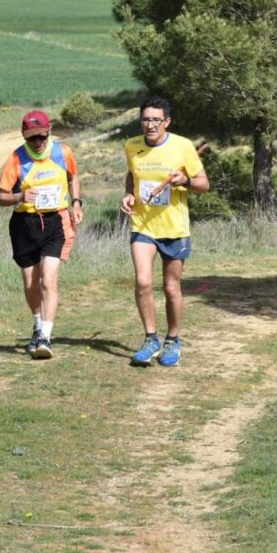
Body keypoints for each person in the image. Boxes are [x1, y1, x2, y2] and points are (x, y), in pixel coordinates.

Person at [120, 95, 209, 367]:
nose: (150, 125)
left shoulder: (182, 147)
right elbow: (132, 176)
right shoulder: (131, 146)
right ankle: (150, 338)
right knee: (143, 282)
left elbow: (203, 184)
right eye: (145, 119)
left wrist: (184, 180)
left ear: (166, 122)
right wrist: (128, 195)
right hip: (143, 226)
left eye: (156, 120)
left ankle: (172, 339)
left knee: (171, 287)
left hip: (174, 227)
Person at [0, 110, 83, 359]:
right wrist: (19, 196)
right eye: (32, 138)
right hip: (25, 224)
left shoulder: (62, 152)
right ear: (24, 136)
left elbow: (73, 176)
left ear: (50, 131)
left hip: (55, 221)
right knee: (31, 283)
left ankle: (45, 335)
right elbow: (0, 197)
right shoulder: (15, 159)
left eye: (42, 137)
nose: (38, 143)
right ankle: (37, 324)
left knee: (48, 279)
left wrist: (76, 203)